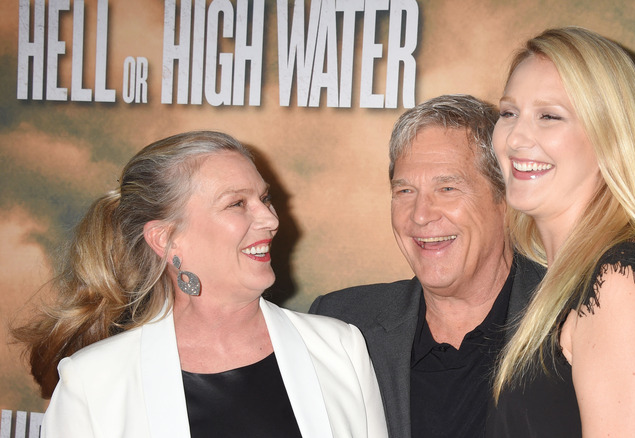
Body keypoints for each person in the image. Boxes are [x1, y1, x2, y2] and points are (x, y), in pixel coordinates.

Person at [12, 131, 388, 437]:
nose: (270, 219)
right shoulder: (93, 383)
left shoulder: (340, 349)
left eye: (264, 198)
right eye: (237, 203)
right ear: (166, 239)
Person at [488, 27, 635, 437]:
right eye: (508, 112)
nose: (516, 137)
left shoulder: (623, 283)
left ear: (611, 138)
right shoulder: (569, 278)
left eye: (549, 116)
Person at [309, 94, 545, 438]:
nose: (420, 215)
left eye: (447, 188)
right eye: (404, 191)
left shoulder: (575, 318)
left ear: (505, 200)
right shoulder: (340, 324)